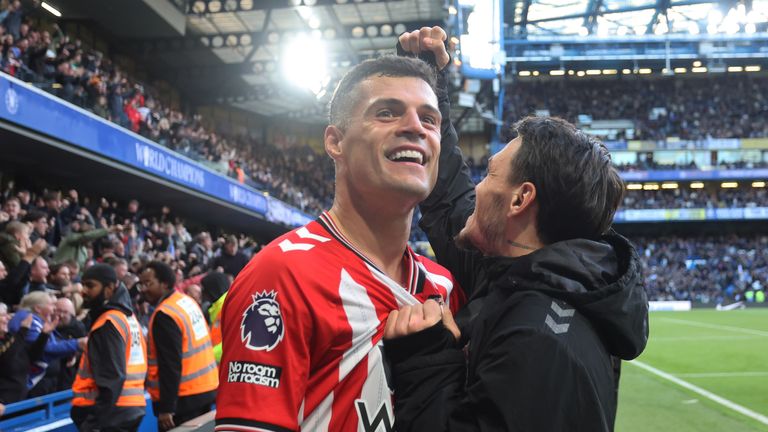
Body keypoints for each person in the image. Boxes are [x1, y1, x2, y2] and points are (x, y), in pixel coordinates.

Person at [381, 27, 649, 432]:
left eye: (488, 175)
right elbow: (451, 198)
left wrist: (427, 359)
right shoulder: (516, 273)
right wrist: (428, 83)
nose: (477, 187)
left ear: (520, 200)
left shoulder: (543, 343)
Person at [215, 54, 463, 432]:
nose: (416, 127)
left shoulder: (444, 284)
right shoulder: (282, 274)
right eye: (387, 113)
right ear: (335, 142)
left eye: (429, 119)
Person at [139, 261, 217, 431]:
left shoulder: (165, 315)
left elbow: (170, 365)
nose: (143, 289)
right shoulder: (186, 301)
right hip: (206, 390)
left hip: (184, 399)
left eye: (148, 283)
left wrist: (167, 408)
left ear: (164, 283)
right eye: (141, 284)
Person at [71, 264, 147, 432]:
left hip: (111, 414)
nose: (84, 291)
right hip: (130, 406)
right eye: (83, 285)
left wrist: (93, 424)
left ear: (109, 288)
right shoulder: (128, 317)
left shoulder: (108, 323)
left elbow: (112, 376)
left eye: (90, 285)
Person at [8, 291, 86, 391]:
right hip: (20, 381)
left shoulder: (37, 320)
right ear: (38, 308)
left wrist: (70, 352)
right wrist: (77, 344)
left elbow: (53, 344)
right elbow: (45, 348)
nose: (54, 309)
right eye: (51, 305)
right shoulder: (28, 319)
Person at [0, 303, 54, 405]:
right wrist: (22, 331)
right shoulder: (16, 337)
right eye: (3, 315)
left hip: (20, 401)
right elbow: (6, 359)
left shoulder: (9, 336)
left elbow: (31, 357)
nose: (8, 318)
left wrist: (44, 335)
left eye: (7, 314)